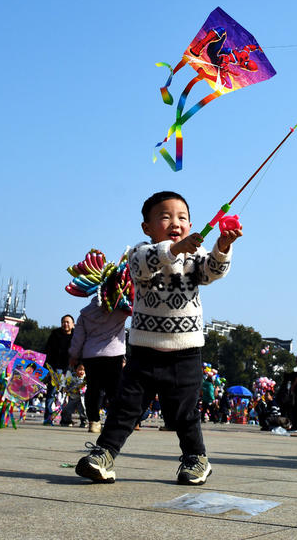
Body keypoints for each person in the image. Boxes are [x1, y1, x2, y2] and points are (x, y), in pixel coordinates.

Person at [75, 190, 242, 485]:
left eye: (182, 218)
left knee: (184, 412)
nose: (175, 222)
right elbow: (145, 262)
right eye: (165, 217)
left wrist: (222, 246)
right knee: (125, 406)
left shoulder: (195, 257)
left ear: (191, 226)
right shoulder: (140, 253)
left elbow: (212, 271)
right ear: (147, 228)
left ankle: (196, 458)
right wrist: (176, 249)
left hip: (186, 351)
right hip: (144, 350)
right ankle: (103, 454)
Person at [69, 295, 127, 433]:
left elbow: (78, 338)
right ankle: (114, 421)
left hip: (92, 355)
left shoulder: (85, 314)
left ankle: (94, 422)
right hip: (114, 354)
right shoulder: (120, 310)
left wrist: (74, 355)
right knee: (114, 390)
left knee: (93, 389)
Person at [43, 314, 75, 425]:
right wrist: (47, 368)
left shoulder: (76, 336)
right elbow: (47, 350)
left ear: (73, 324)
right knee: (51, 394)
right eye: (63, 322)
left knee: (70, 394)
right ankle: (48, 418)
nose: (65, 324)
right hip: (56, 368)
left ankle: (66, 418)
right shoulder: (55, 334)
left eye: (67, 322)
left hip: (70, 368)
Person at [60, 362, 87, 428]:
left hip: (82, 398)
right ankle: (67, 421)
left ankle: (84, 422)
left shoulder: (86, 378)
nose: (81, 371)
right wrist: (65, 388)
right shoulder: (71, 377)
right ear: (75, 370)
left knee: (83, 411)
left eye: (83, 370)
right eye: (80, 369)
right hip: (73, 397)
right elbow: (67, 385)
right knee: (67, 410)